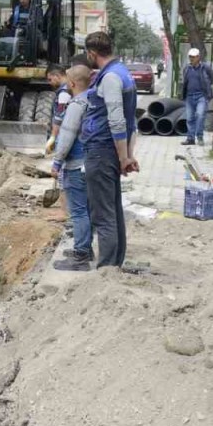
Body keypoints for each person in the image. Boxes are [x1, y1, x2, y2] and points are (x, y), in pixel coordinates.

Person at [79, 31, 138, 269]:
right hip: (109, 152)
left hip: (101, 151)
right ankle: (114, 265)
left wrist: (125, 157)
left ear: (92, 53)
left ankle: (106, 270)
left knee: (103, 215)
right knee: (112, 210)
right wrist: (127, 155)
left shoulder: (111, 78)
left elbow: (118, 121)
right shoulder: (122, 73)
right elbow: (131, 119)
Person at [50, 64, 94, 271]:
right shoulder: (93, 100)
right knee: (86, 208)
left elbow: (66, 136)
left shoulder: (77, 105)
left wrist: (57, 161)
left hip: (76, 165)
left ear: (73, 83)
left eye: (68, 80)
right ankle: (86, 247)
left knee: (78, 212)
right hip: (90, 163)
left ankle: (80, 256)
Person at [181, 48, 213, 147]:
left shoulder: (205, 68)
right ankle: (190, 138)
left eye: (194, 57)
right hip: (189, 96)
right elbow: (185, 82)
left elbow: (211, 78)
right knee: (190, 118)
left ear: (198, 57)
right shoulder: (187, 68)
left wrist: (207, 91)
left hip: (201, 96)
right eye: (190, 57)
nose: (192, 59)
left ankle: (200, 137)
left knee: (200, 115)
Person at [44, 64, 71, 154]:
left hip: (65, 133)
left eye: (50, 79)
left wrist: (53, 137)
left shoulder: (64, 93)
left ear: (57, 76)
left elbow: (59, 117)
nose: (49, 83)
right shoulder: (71, 87)